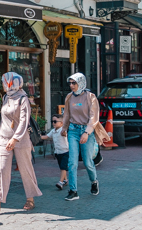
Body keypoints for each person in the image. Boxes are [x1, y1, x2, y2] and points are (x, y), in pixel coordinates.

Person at [0, 72, 42, 213]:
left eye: (5, 82)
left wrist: (15, 139)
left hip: (20, 140)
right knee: (1, 169)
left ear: (12, 83)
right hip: (4, 138)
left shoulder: (23, 99)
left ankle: (30, 199)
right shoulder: (5, 97)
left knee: (25, 169)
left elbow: (24, 121)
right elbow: (4, 121)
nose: (4, 85)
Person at [60, 72, 101, 201]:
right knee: (72, 162)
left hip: (86, 130)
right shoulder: (69, 97)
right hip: (73, 130)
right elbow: (66, 114)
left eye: (74, 83)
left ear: (81, 83)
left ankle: (94, 181)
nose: (71, 85)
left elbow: (94, 117)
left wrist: (87, 132)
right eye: (70, 83)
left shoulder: (90, 97)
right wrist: (64, 128)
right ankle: (73, 191)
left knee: (88, 161)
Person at [42, 115, 69, 190]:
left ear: (61, 123)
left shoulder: (63, 130)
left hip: (65, 152)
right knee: (61, 167)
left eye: (55, 121)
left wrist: (65, 133)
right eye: (52, 121)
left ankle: (60, 182)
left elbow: (65, 134)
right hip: (57, 152)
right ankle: (65, 180)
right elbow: (47, 136)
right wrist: (38, 137)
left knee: (63, 167)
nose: (53, 123)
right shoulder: (53, 131)